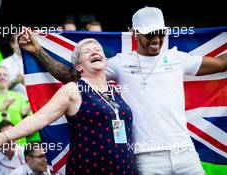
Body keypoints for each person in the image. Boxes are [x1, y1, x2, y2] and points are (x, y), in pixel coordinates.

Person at [14, 7, 226, 175]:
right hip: (146, 157)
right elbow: (75, 77)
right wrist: (39, 51)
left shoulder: (179, 58)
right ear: (135, 34)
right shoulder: (120, 63)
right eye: (149, 33)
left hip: (185, 152)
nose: (156, 39)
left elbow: (220, 64)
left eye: (160, 33)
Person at [0, 38, 135, 174]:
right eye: (87, 51)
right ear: (78, 66)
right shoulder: (73, 89)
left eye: (98, 49)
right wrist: (2, 137)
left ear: (106, 60)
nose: (94, 51)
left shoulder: (116, 90)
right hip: (89, 168)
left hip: (125, 169)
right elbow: (38, 119)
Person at [0, 34, 28, 99]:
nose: (21, 45)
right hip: (13, 103)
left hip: (32, 103)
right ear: (12, 44)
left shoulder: (34, 62)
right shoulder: (4, 63)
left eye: (23, 42)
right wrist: (15, 81)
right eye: (19, 42)